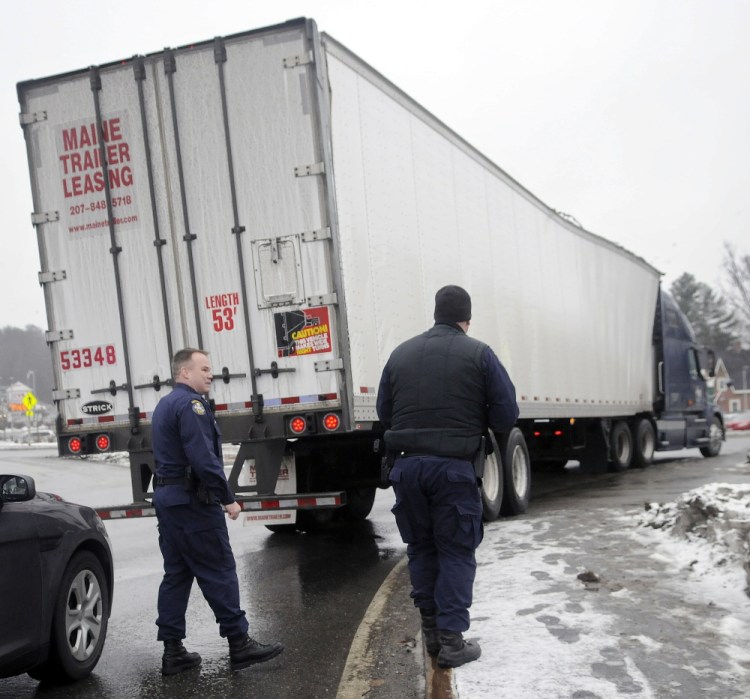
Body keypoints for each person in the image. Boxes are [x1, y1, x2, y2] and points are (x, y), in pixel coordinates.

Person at [376, 285, 519, 668]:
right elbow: (506, 415)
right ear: (466, 319)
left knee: (422, 548)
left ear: (436, 313)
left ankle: (433, 633)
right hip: (453, 468)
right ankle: (453, 641)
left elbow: (384, 412)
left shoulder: (400, 354)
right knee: (456, 550)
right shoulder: (479, 354)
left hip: (406, 468)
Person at [151, 348, 284, 674]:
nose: (210, 374)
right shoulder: (191, 405)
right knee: (218, 569)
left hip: (168, 500)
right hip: (193, 503)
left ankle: (173, 652)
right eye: (204, 368)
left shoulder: (165, 404)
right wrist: (227, 498)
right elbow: (203, 459)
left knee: (177, 574)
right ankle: (240, 644)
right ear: (185, 373)